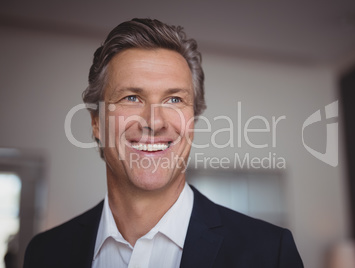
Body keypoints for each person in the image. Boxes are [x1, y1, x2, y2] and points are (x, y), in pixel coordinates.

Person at [23, 18, 303, 268]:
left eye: (174, 99)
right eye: (131, 97)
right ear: (96, 122)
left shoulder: (269, 253)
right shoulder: (45, 253)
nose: (155, 122)